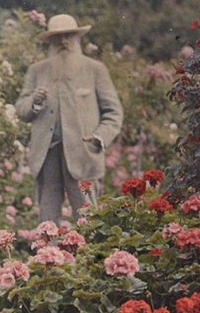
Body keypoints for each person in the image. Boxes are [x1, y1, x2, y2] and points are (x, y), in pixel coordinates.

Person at [15, 14, 123, 224]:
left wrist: (99, 138)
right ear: (50, 41)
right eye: (58, 37)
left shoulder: (94, 69)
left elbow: (114, 111)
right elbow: (21, 109)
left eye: (69, 36)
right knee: (47, 219)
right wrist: (34, 102)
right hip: (47, 154)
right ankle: (47, 256)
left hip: (83, 153)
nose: (64, 42)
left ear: (77, 38)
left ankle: (92, 256)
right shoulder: (37, 71)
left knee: (88, 218)